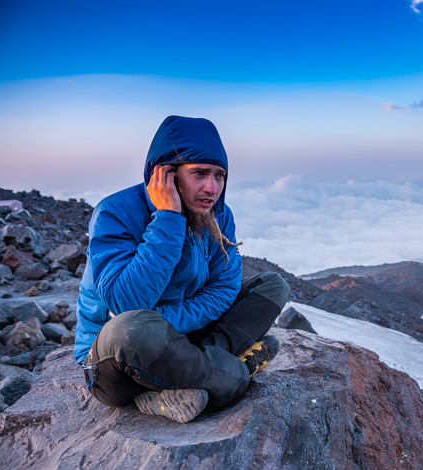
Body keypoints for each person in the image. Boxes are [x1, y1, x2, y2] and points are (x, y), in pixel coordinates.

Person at [74, 115, 289, 423]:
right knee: (132, 329)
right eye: (199, 173)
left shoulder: (218, 215)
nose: (212, 188)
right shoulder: (115, 213)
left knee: (271, 286)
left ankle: (197, 369)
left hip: (176, 337)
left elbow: (224, 289)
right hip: (115, 358)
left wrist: (165, 323)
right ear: (166, 174)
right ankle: (232, 376)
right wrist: (168, 217)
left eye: (219, 175)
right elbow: (127, 306)